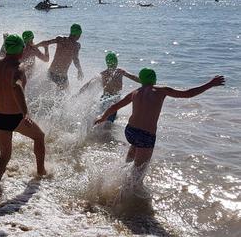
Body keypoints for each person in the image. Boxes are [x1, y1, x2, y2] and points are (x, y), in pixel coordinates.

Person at [95, 69, 225, 171]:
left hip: (130, 131)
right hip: (145, 135)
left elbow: (114, 106)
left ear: (141, 80)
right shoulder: (161, 90)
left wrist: (102, 118)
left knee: (135, 145)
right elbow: (188, 93)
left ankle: (123, 168)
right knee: (139, 170)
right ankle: (127, 193)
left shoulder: (135, 92)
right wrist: (210, 84)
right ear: (154, 79)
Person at [0, 34, 46, 195]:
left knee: (4, 156)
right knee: (39, 136)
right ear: (19, 49)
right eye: (22, 47)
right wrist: (25, 113)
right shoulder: (18, 67)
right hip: (15, 117)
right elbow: (16, 87)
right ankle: (41, 172)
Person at [79, 52, 139, 122]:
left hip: (105, 98)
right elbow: (132, 77)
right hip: (113, 99)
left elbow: (88, 83)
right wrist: (143, 82)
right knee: (108, 119)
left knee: (102, 117)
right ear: (116, 62)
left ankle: (96, 129)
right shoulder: (119, 71)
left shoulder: (104, 73)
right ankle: (105, 130)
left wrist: (80, 91)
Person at [37, 24, 84, 89]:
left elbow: (46, 42)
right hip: (62, 77)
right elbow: (75, 59)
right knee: (65, 97)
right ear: (78, 34)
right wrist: (79, 70)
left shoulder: (60, 39)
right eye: (80, 35)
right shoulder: (76, 45)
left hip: (51, 73)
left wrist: (35, 46)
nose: (80, 37)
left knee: (46, 93)